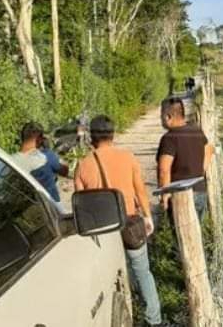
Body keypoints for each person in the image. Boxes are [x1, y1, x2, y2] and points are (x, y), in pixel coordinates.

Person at [74, 115, 161, 326]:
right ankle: (154, 319)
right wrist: (148, 216)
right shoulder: (127, 158)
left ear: (91, 137)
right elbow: (140, 191)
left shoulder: (83, 166)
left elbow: (81, 206)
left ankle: (122, 312)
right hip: (130, 223)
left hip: (102, 229)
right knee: (143, 272)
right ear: (112, 135)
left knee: (113, 276)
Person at [157, 97, 214, 220]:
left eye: (161, 115)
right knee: (197, 233)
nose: (160, 119)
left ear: (168, 117)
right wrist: (200, 170)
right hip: (200, 191)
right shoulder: (196, 130)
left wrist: (165, 195)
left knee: (180, 235)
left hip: (180, 195)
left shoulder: (169, 139)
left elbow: (164, 170)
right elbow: (209, 149)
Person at [11, 122, 67, 212]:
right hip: (53, 208)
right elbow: (64, 171)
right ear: (39, 139)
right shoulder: (46, 156)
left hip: (28, 212)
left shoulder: (11, 160)